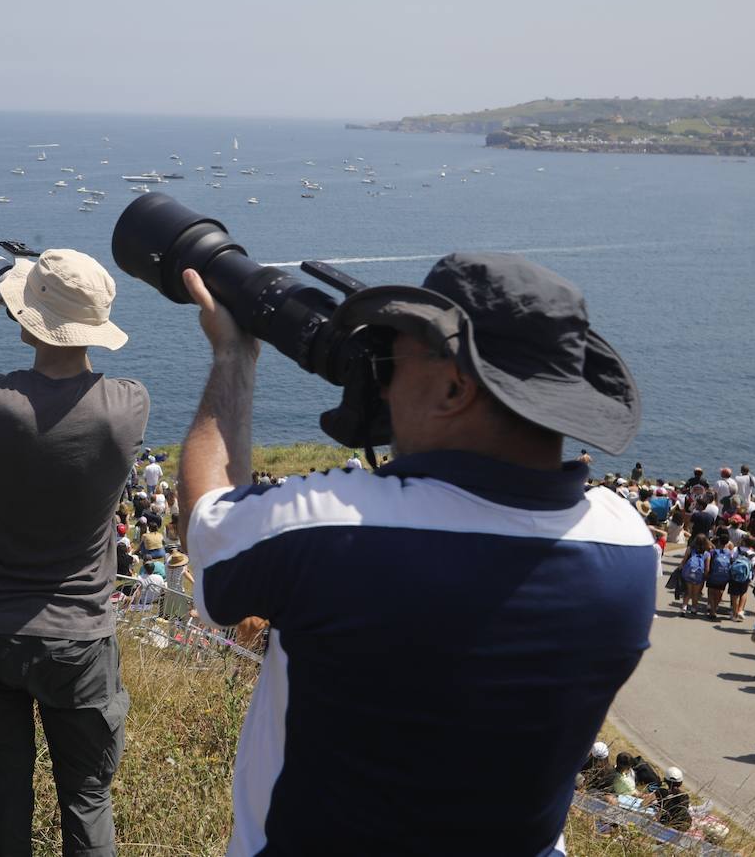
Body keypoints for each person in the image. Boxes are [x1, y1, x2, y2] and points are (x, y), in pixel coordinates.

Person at [178, 252, 654, 853]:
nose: (380, 381)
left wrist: (233, 356)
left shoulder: (327, 528)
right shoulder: (628, 544)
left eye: (392, 360)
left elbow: (206, 523)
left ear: (455, 387)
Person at [0, 248, 148, 856]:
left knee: (2, 796)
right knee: (87, 800)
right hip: (79, 639)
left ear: (27, 320)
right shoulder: (128, 406)